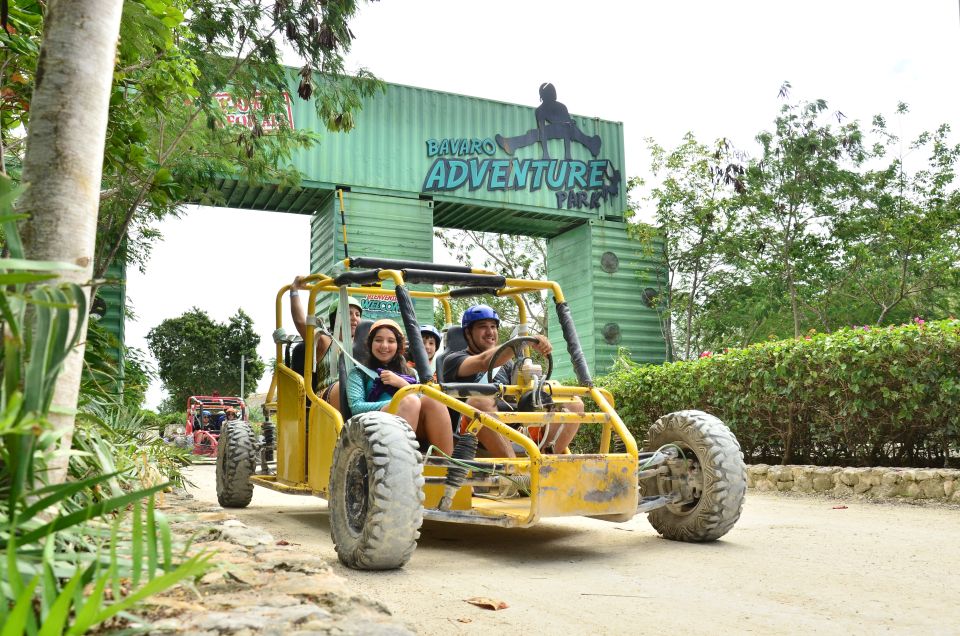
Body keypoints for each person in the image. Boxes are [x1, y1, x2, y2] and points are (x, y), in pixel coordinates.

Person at [442, 304, 582, 456]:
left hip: (512, 430)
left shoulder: (508, 365)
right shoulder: (453, 360)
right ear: (468, 333)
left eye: (493, 326)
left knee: (573, 402)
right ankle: (516, 472)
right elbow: (484, 361)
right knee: (480, 401)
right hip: (471, 434)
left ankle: (544, 461)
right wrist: (523, 341)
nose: (490, 332)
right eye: (483, 327)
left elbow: (520, 396)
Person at [346, 319, 453, 455]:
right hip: (372, 426)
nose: (384, 346)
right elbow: (356, 407)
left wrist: (402, 384)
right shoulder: (359, 372)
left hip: (412, 427)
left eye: (391, 341)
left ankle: (447, 467)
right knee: (410, 401)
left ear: (398, 345)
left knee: (434, 400)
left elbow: (422, 399)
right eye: (378, 340)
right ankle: (398, 467)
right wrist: (398, 402)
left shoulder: (411, 373)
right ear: (370, 344)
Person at [289, 275, 362, 410]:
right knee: (345, 388)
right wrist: (294, 290)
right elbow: (301, 322)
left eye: (358, 314)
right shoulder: (325, 341)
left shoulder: (363, 345)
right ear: (336, 317)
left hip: (357, 395)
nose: (354, 318)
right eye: (349, 313)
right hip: (326, 397)